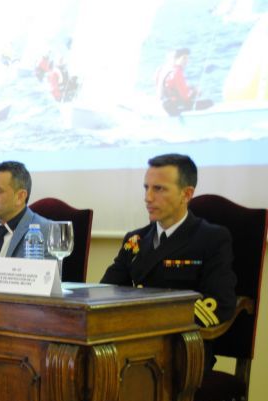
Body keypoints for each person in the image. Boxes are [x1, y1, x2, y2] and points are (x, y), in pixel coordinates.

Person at [101, 153, 236, 372]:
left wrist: (152, 322)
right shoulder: (135, 240)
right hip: (132, 345)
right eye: (146, 188)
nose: (148, 197)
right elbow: (106, 291)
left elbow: (219, 303)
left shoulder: (211, 238)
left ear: (187, 194)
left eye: (159, 189)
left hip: (182, 351)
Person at [157, 48, 214, 116]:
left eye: (187, 58)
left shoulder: (163, 70)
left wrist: (190, 88)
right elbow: (186, 98)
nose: (187, 61)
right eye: (184, 58)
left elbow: (170, 87)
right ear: (176, 59)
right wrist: (195, 92)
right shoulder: (177, 72)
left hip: (166, 105)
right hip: (174, 108)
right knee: (209, 103)